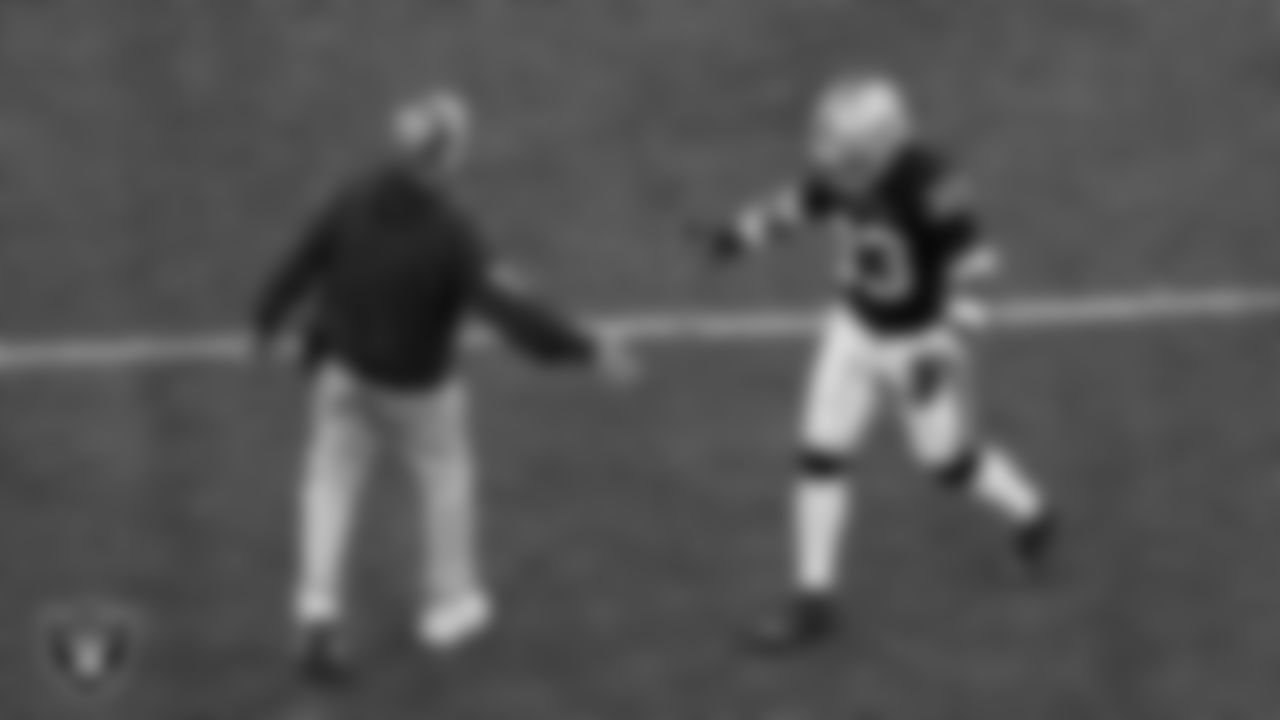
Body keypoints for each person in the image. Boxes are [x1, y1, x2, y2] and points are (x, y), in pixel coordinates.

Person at [253, 90, 637, 682]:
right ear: (447, 157)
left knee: (328, 487)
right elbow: (517, 320)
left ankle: (317, 614)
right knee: (444, 479)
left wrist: (265, 320)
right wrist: (588, 349)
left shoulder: (354, 196)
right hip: (416, 391)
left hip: (343, 372)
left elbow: (302, 259)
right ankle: (447, 605)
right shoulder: (452, 235)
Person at [693, 74, 1058, 652]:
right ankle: (813, 603)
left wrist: (944, 350)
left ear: (883, 144)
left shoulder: (932, 182)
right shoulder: (849, 169)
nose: (835, 161)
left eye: (847, 150)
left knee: (946, 465)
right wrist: (738, 235)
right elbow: (801, 202)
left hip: (918, 341)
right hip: (854, 329)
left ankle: (1034, 518)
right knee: (818, 456)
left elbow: (980, 272)